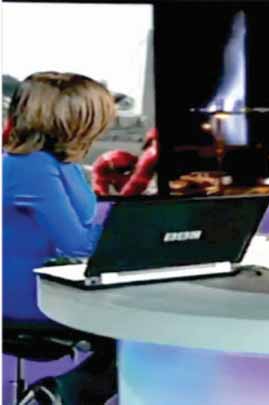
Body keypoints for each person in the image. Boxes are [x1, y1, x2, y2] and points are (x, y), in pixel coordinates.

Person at [3, 72, 118, 404]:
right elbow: (78, 244)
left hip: (51, 281)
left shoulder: (61, 163)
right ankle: (61, 395)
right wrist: (133, 236)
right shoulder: (31, 167)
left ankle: (60, 394)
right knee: (143, 328)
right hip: (27, 296)